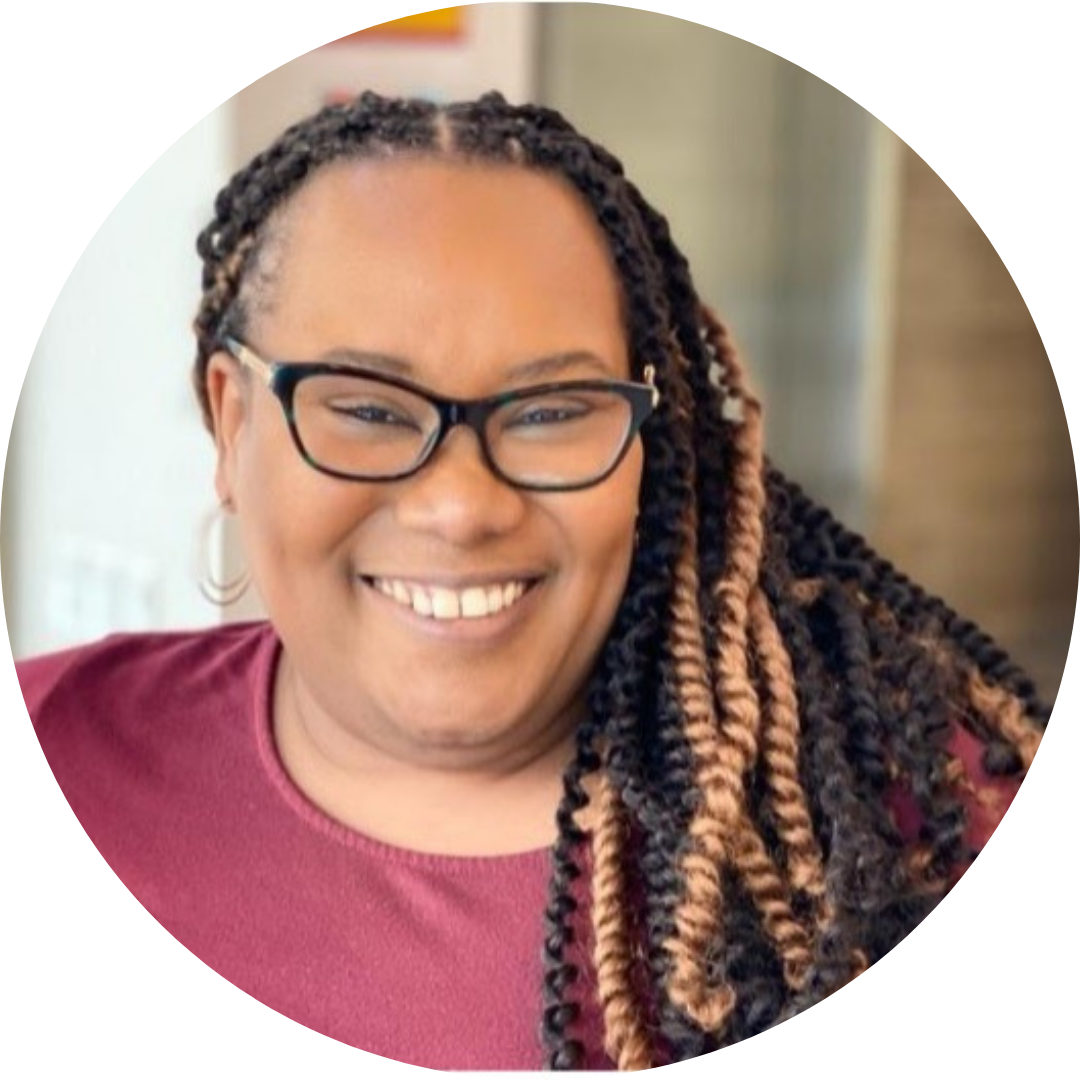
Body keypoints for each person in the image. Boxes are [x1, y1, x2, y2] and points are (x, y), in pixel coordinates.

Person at [16, 91, 1046, 1072]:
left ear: (657, 442)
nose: (460, 506)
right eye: (368, 409)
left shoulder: (935, 837)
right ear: (232, 423)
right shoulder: (40, 757)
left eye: (552, 409)